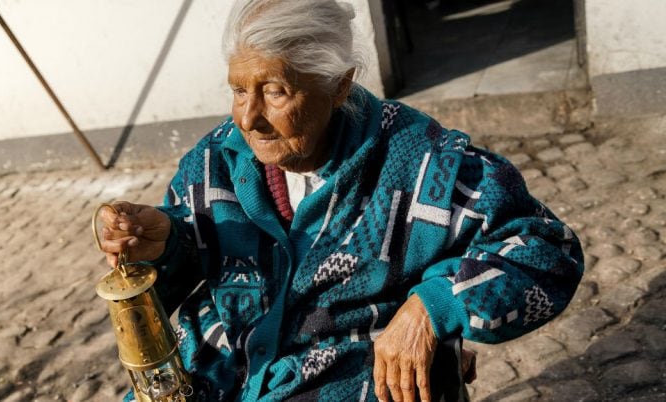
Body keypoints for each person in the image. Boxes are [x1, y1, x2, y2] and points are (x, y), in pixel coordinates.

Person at [99, 0, 584, 401]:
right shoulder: (214, 160)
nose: (249, 118)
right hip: (218, 371)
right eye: (239, 89)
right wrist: (167, 243)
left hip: (342, 376)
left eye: (275, 91)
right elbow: (178, 276)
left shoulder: (422, 158)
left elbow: (546, 248)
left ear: (338, 86)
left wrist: (434, 306)